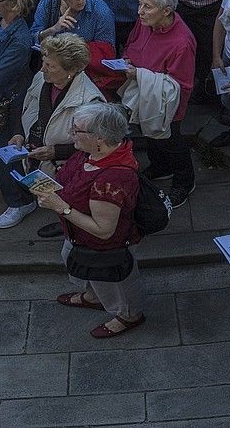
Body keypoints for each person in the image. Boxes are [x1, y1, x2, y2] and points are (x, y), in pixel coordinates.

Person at [22, 100, 149, 339]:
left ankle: (130, 315)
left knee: (117, 283)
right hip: (79, 236)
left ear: (99, 138)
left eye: (76, 130)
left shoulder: (111, 180)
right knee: (89, 272)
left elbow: (103, 230)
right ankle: (93, 297)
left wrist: (61, 208)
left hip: (105, 248)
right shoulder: (92, 151)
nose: (71, 134)